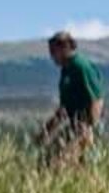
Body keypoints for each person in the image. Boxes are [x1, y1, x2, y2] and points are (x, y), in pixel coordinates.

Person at [42, 29, 105, 162]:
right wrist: (47, 130)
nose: (52, 56)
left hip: (83, 127)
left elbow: (96, 99)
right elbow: (64, 108)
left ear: (65, 48)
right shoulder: (66, 70)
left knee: (63, 160)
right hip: (73, 125)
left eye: (54, 52)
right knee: (49, 157)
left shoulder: (80, 66)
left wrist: (88, 126)